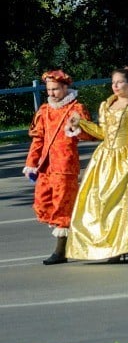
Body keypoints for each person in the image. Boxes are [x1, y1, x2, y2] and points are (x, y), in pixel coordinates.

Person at [66, 67, 128, 261]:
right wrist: (82, 123)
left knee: (127, 205)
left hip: (127, 159)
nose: (115, 86)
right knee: (101, 202)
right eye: (113, 82)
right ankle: (110, 245)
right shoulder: (106, 105)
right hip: (105, 159)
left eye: (120, 82)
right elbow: (103, 134)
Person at [22, 70, 92, 265]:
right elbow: (38, 140)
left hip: (65, 165)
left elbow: (89, 134)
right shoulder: (44, 110)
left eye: (55, 89)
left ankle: (61, 251)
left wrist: (78, 129)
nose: (51, 93)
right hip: (46, 166)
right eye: (49, 90)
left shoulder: (76, 108)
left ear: (65, 88)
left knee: (63, 207)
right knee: (44, 203)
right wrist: (31, 162)